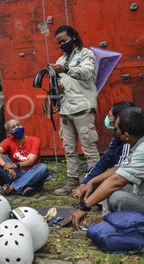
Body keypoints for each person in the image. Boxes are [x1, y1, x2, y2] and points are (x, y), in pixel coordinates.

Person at [72, 107, 144, 229]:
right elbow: (120, 168)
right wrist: (93, 181)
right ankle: (110, 221)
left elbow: (116, 182)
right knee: (107, 185)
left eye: (116, 130)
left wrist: (84, 207)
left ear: (126, 135)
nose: (114, 132)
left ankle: (119, 225)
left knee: (117, 197)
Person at [51, 25, 100, 196]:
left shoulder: (86, 54)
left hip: (83, 107)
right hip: (65, 108)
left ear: (74, 37)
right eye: (59, 42)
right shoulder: (60, 60)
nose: (62, 44)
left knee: (89, 147)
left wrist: (66, 69)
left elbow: (87, 73)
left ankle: (94, 183)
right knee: (69, 148)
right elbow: (59, 82)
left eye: (64, 41)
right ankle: (72, 180)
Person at [72, 102, 135, 199]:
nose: (107, 119)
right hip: (119, 175)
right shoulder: (118, 137)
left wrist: (91, 184)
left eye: (110, 116)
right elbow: (104, 161)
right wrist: (85, 183)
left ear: (119, 119)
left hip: (131, 183)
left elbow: (120, 171)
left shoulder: (129, 140)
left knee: (105, 188)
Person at [0, 118, 50, 196]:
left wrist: (15, 165)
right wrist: (5, 165)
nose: (17, 128)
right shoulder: (8, 141)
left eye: (18, 125)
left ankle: (12, 188)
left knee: (43, 167)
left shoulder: (34, 140)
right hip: (15, 174)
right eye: (13, 127)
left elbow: (31, 161)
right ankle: (25, 187)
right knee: (0, 157)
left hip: (33, 175)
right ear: (9, 133)